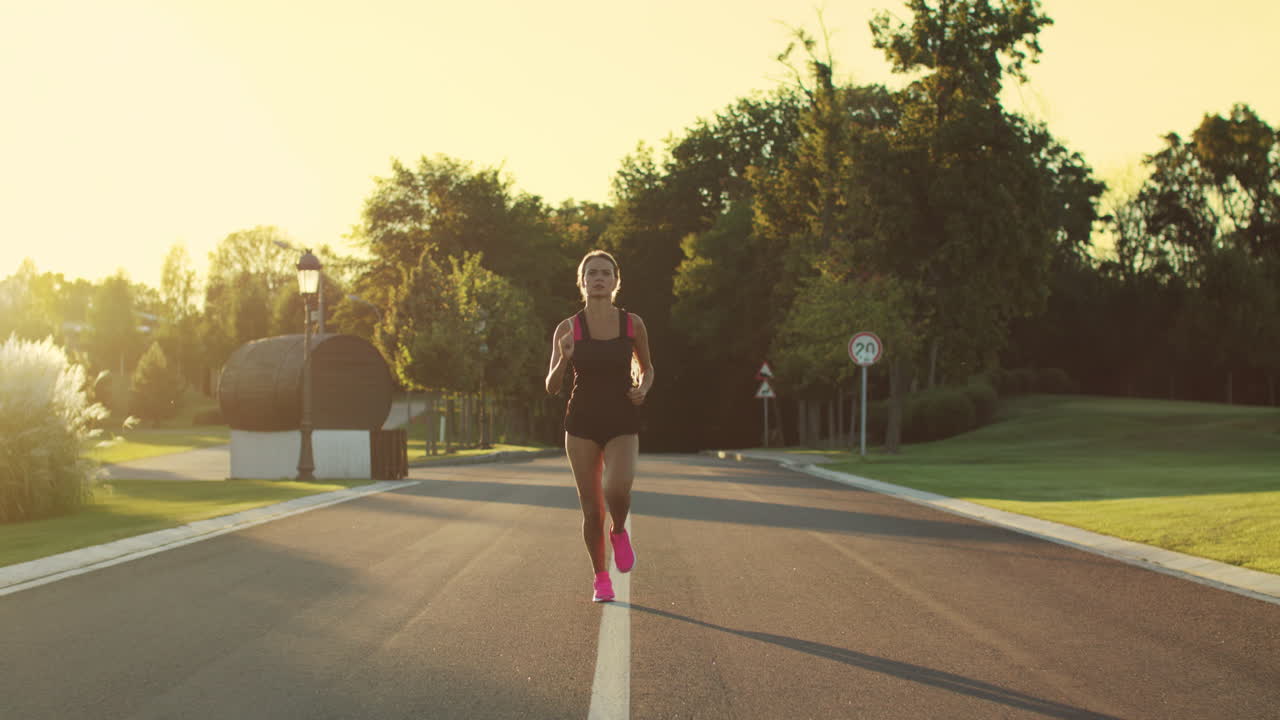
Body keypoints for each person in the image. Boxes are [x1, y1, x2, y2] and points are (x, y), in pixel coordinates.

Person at [545, 249, 654, 603]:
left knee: (617, 490)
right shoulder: (569, 327)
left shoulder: (632, 324)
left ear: (616, 281)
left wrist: (643, 388)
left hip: (622, 419)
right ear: (582, 281)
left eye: (605, 272)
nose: (599, 278)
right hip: (581, 424)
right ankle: (600, 578)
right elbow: (551, 385)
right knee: (592, 509)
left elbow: (648, 368)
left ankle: (619, 531)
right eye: (592, 273)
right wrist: (563, 357)